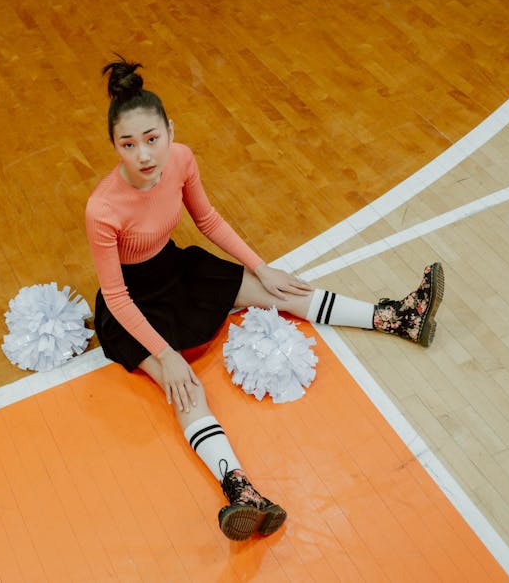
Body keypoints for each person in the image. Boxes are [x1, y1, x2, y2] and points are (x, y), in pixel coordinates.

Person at [85, 57, 444, 541]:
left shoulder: (182, 159)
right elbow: (115, 294)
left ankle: (397, 317)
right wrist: (166, 357)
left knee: (282, 292)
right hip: (133, 308)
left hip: (178, 271)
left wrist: (260, 266)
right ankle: (241, 491)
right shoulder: (102, 208)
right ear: (114, 147)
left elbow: (208, 220)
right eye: (128, 145)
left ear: (170, 130)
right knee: (186, 387)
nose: (144, 155)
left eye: (152, 138)